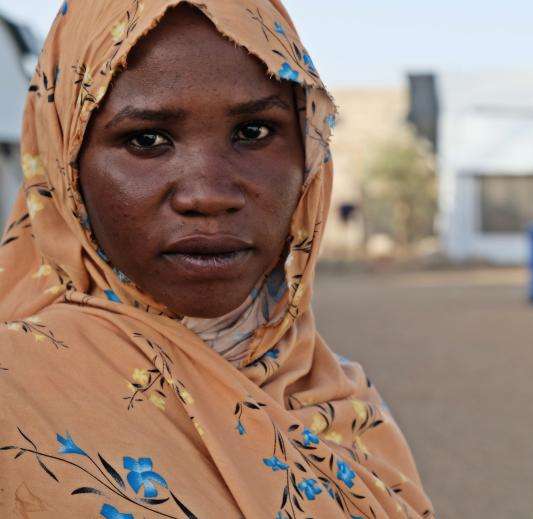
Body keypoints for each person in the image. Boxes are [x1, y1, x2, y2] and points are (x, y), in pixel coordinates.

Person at [0, 0, 434, 517]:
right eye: (147, 139)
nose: (208, 194)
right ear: (66, 170)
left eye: (253, 132)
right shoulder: (18, 390)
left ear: (310, 154)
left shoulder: (339, 396)